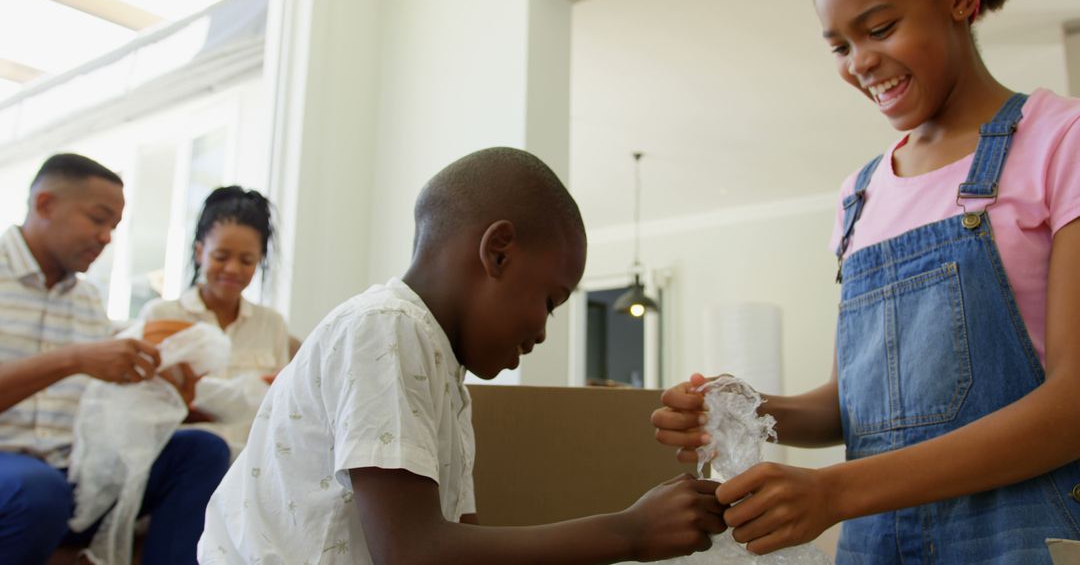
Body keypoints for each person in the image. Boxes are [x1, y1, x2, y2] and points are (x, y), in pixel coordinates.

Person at [652, 0, 1080, 562]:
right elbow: (849, 405)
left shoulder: (1062, 141)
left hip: (1022, 542)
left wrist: (834, 490)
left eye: (880, 28)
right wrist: (742, 407)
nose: (859, 62)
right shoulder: (861, 194)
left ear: (961, 1)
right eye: (839, 47)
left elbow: (1072, 404)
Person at [199, 147, 726, 564]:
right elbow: (413, 553)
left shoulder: (442, 373)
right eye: (550, 300)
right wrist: (628, 533)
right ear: (498, 252)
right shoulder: (386, 329)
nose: (543, 331)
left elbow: (460, 546)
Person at [0, 153, 231, 565]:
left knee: (202, 451)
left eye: (114, 227)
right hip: (17, 475)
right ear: (45, 204)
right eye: (98, 218)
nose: (107, 237)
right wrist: (73, 359)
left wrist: (159, 382)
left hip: (72, 470)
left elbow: (98, 401)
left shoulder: (87, 298)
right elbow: (78, 362)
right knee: (38, 492)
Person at [139, 185, 291, 453]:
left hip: (252, 466)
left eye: (246, 260)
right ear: (200, 252)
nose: (232, 269)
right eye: (221, 257)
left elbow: (278, 409)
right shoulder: (162, 316)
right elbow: (150, 405)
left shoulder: (272, 324)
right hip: (186, 461)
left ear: (259, 261)